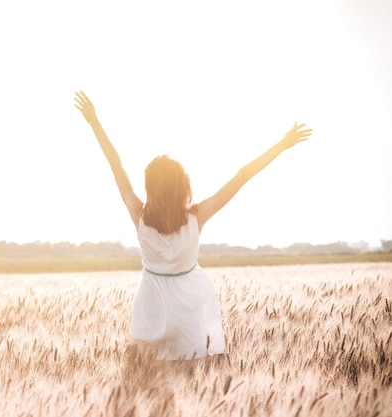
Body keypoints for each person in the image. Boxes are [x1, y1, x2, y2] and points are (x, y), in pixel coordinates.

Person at [73, 91, 312, 360]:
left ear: (150, 188)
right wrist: (281, 145)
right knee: (194, 370)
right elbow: (242, 175)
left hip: (150, 307)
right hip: (189, 307)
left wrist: (94, 122)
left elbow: (116, 165)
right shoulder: (196, 217)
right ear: (182, 186)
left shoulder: (139, 215)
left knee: (143, 374)